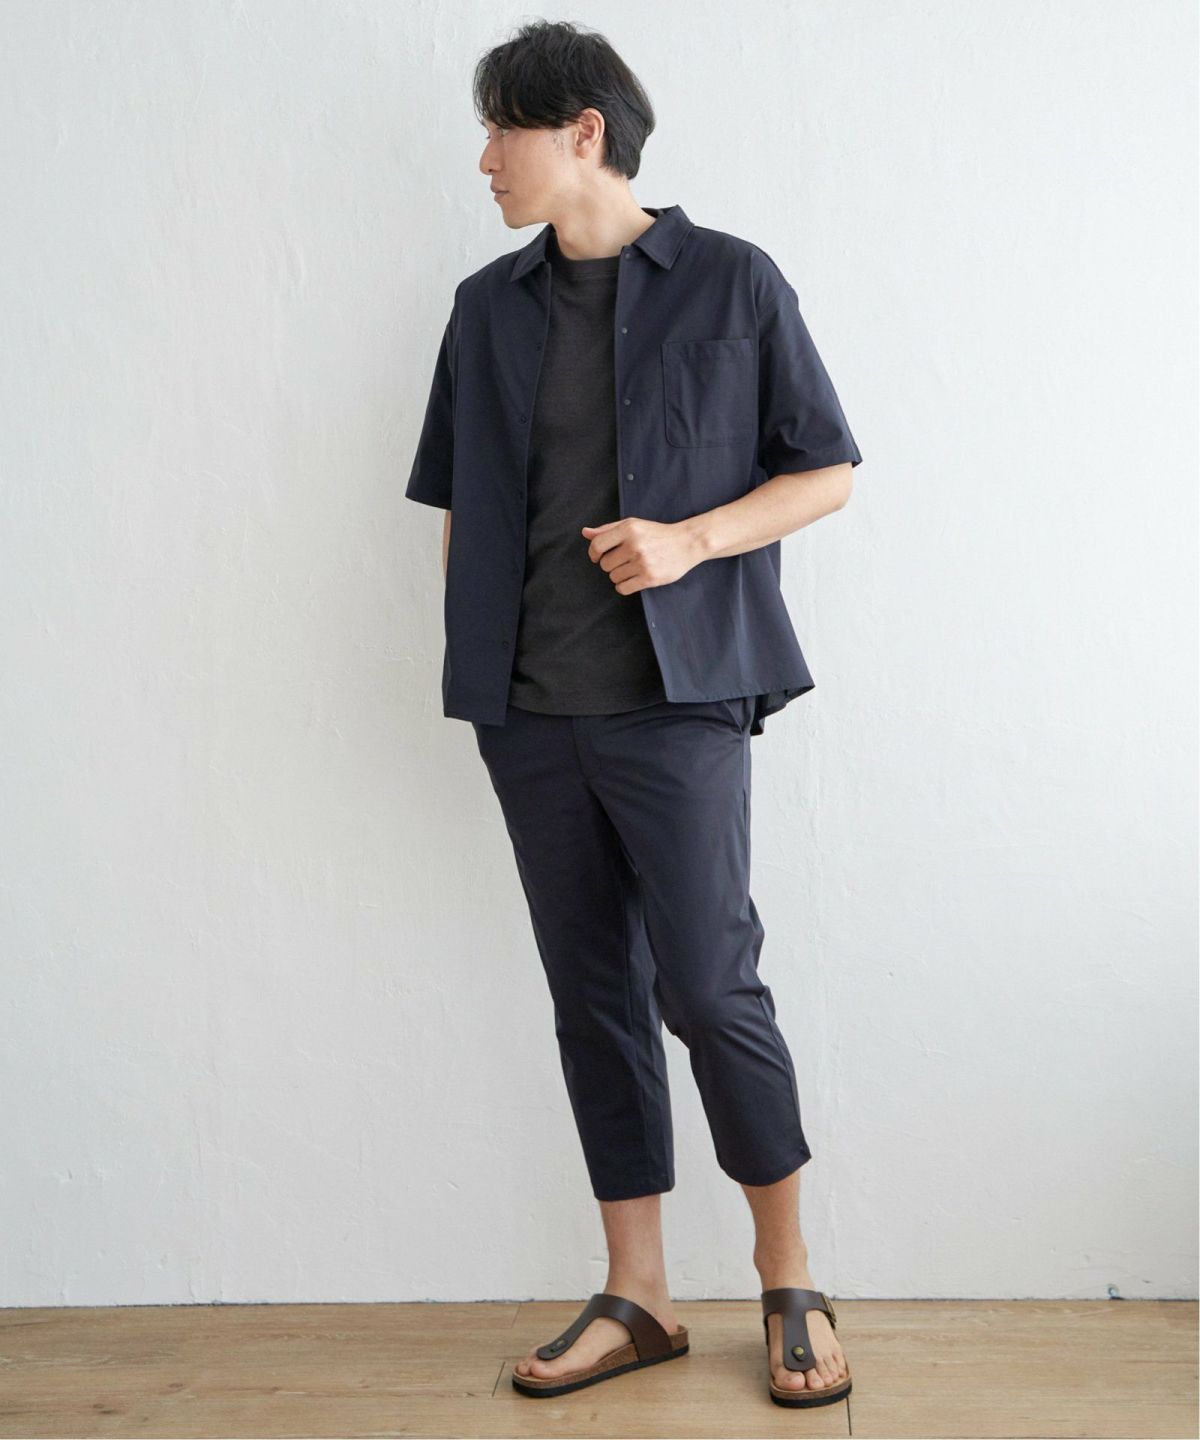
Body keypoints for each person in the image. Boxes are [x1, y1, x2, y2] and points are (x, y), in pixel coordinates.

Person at [404, 19, 862, 1411]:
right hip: (528, 712)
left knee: (709, 988)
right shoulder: (486, 307)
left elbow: (827, 470)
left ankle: (788, 1276)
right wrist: (482, 668)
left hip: (678, 704)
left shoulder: (733, 281)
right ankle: (641, 1296)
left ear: (583, 131)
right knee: (592, 997)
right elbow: (458, 502)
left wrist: (690, 540)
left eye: (503, 131)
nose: (486, 160)